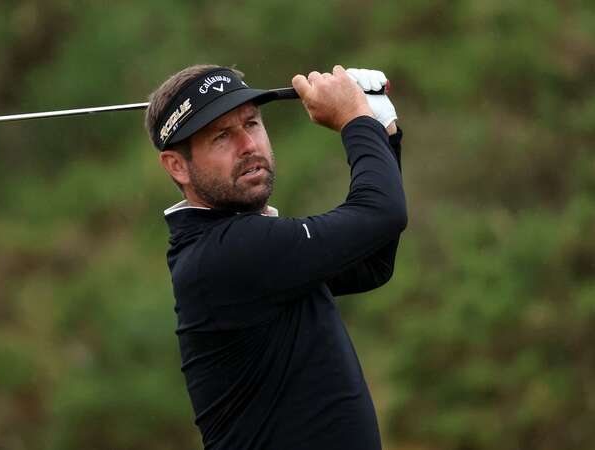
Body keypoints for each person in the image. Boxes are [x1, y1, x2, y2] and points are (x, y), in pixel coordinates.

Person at [144, 64, 406, 450]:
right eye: (221, 136)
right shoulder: (227, 252)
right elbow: (380, 214)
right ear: (177, 166)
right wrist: (354, 119)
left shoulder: (235, 243)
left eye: (251, 124)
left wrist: (382, 129)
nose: (247, 145)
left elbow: (371, 263)